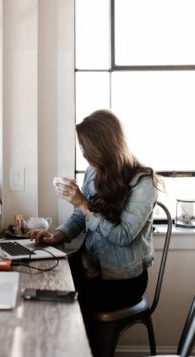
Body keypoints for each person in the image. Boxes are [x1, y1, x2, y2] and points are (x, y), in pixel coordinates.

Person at [27, 109, 160, 314]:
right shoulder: (93, 172)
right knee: (40, 282)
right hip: (89, 267)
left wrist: (82, 203)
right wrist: (57, 235)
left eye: (87, 148)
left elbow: (122, 235)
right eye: (82, 147)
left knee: (62, 305)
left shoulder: (143, 183)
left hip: (122, 280)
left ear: (105, 147)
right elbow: (82, 215)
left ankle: (80, 345)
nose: (84, 154)